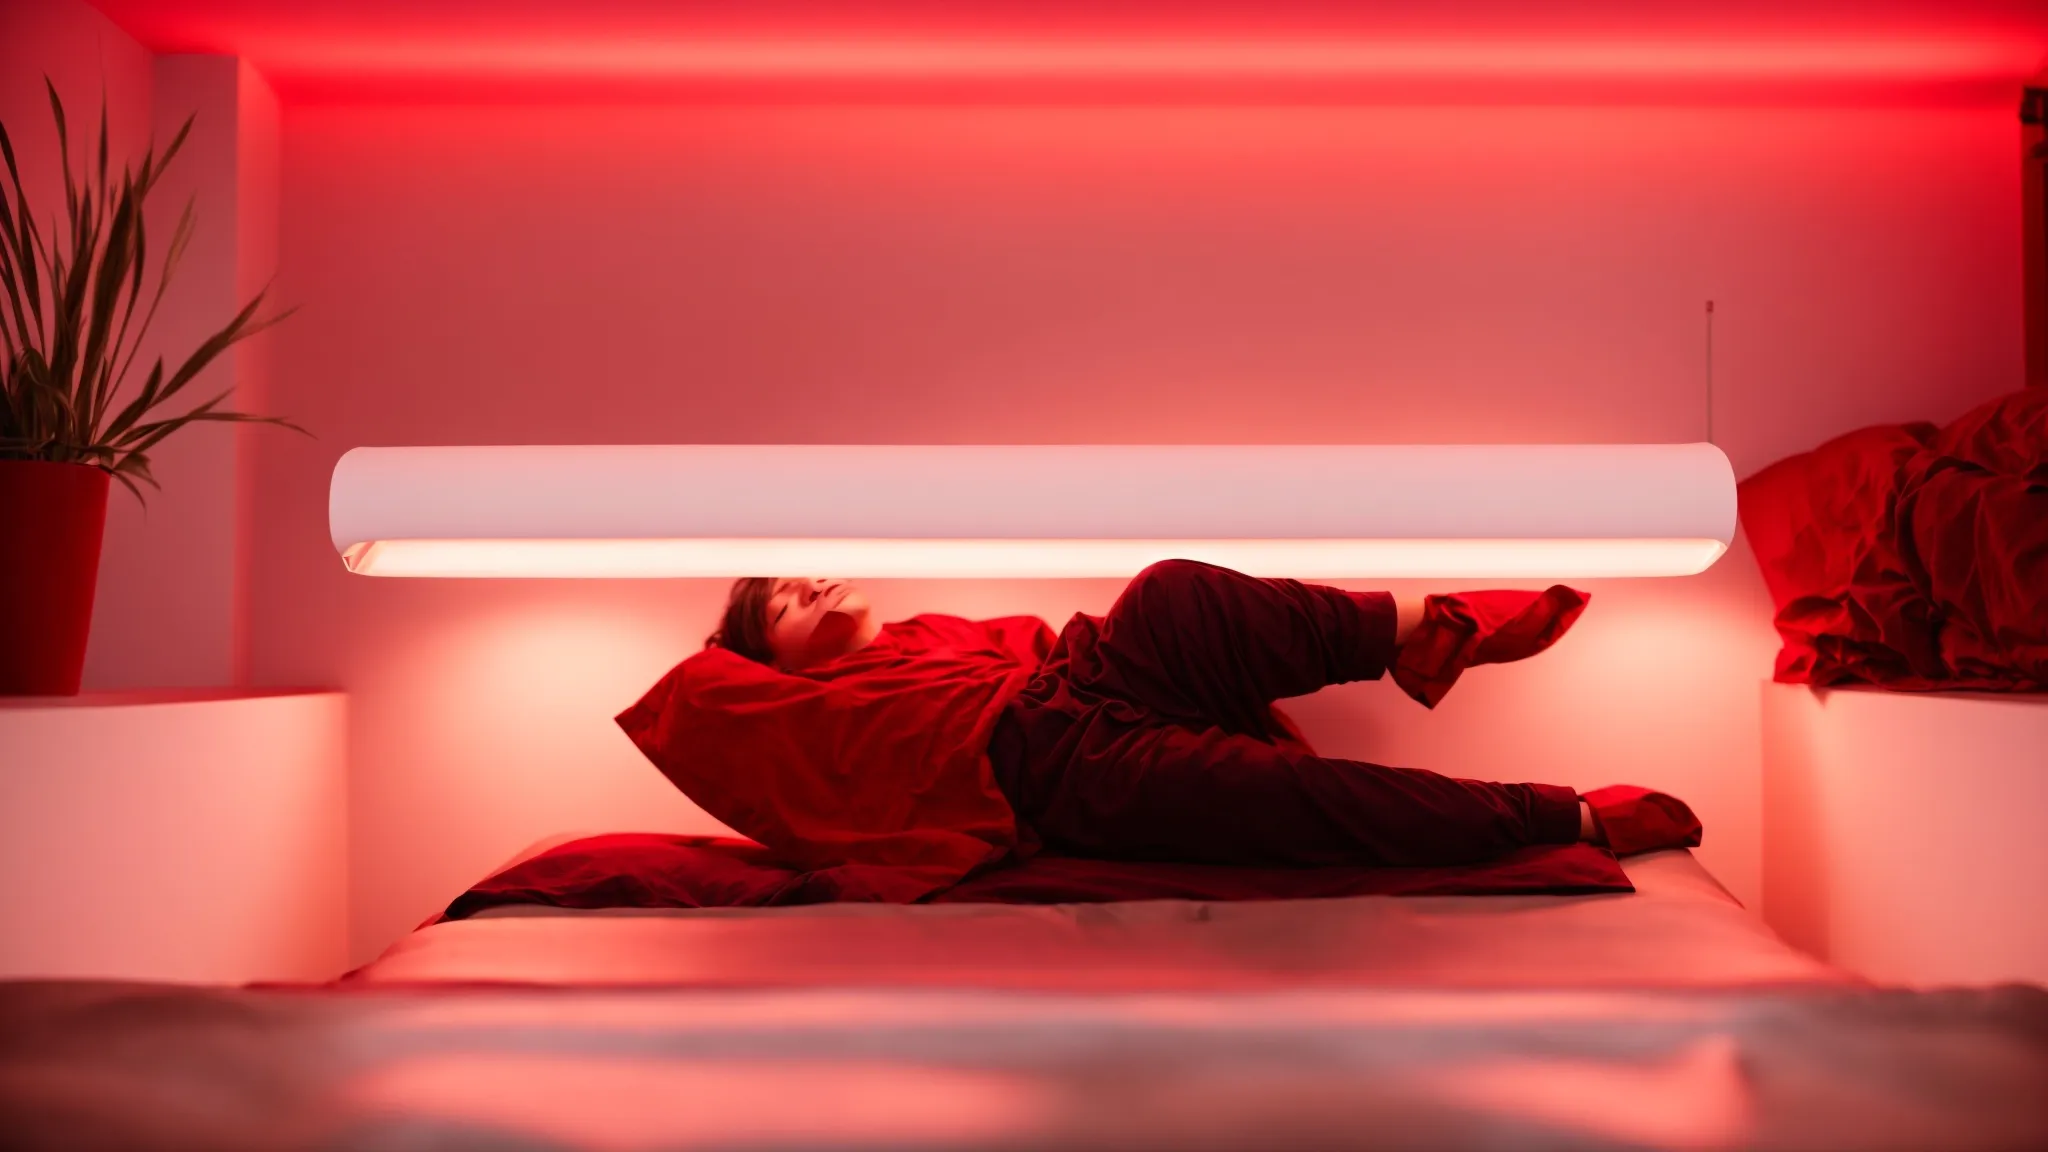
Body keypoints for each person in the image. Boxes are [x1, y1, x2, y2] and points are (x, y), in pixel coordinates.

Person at [701, 560, 1608, 870]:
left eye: (806, 568)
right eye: (782, 599)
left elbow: (1051, 650)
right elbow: (698, 704)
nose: (811, 579)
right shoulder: (803, 715)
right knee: (1274, 791)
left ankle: (1438, 626)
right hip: (1046, 764)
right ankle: (1562, 814)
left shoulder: (934, 631)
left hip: (1079, 683)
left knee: (1171, 592)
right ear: (766, 661)